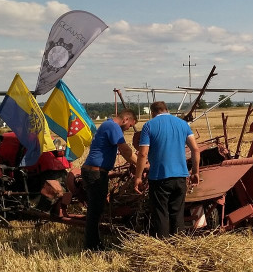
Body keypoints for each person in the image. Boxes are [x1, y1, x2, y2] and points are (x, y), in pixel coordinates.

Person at [133, 101, 200, 237]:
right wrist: (195, 172)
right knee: (177, 214)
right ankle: (178, 243)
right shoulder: (183, 124)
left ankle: (163, 247)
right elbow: (195, 149)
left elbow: (143, 153)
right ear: (167, 110)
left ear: (153, 112)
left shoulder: (149, 126)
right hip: (180, 177)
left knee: (161, 214)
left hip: (159, 178)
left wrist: (138, 177)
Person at [82, 109, 138, 250]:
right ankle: (92, 246)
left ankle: (93, 243)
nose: (128, 128)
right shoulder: (113, 126)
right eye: (130, 125)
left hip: (96, 171)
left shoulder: (108, 124)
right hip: (95, 173)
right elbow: (125, 150)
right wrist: (142, 163)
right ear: (125, 119)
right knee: (95, 210)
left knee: (97, 209)